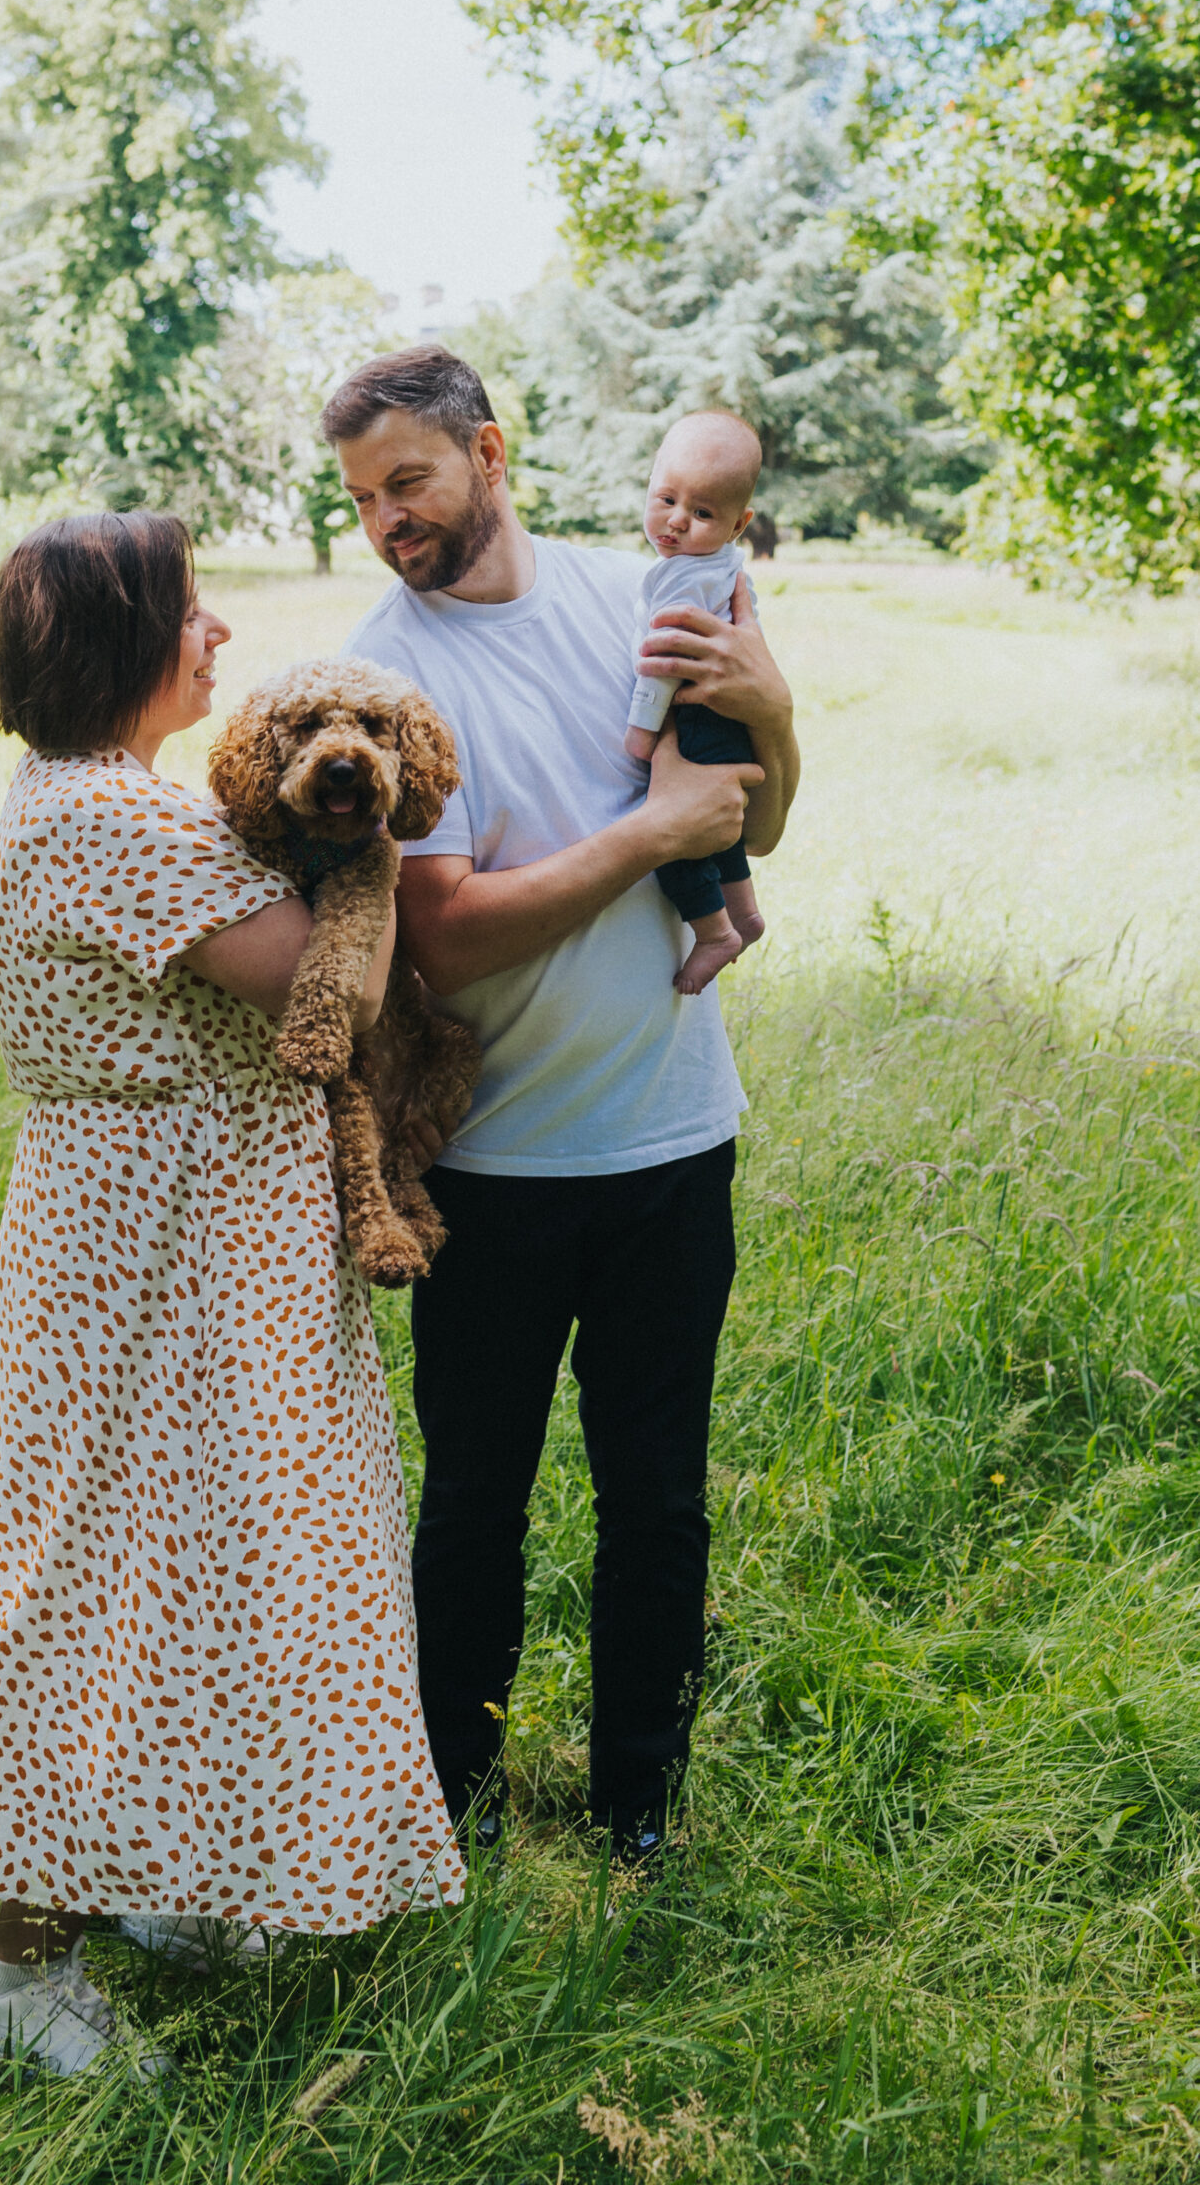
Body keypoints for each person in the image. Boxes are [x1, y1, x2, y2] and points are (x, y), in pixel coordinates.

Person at [0, 511, 463, 2078]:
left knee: (211, 1586)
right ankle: (19, 1970)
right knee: (109, 1591)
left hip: (192, 1255)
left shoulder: (106, 800)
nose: (218, 638)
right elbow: (335, 979)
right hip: (151, 1270)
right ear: (120, 642)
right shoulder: (116, 822)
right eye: (191, 615)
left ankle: (156, 1878)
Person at [330, 347, 799, 1870]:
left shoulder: (644, 588)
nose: (387, 520)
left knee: (656, 1498)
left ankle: (637, 1806)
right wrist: (653, 829)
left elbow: (754, 817)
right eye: (360, 499)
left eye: (408, 481)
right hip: (492, 1166)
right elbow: (445, 934)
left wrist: (774, 727)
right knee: (473, 1501)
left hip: (673, 1139)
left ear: (489, 449)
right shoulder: (382, 681)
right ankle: (443, 1796)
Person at [623, 412, 768, 995]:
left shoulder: (681, 579)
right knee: (723, 827)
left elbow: (664, 660)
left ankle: (714, 933)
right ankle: (747, 912)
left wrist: (641, 730)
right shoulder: (725, 566)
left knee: (679, 836)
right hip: (732, 716)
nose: (677, 521)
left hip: (697, 715)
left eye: (703, 513)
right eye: (666, 499)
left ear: (739, 523)